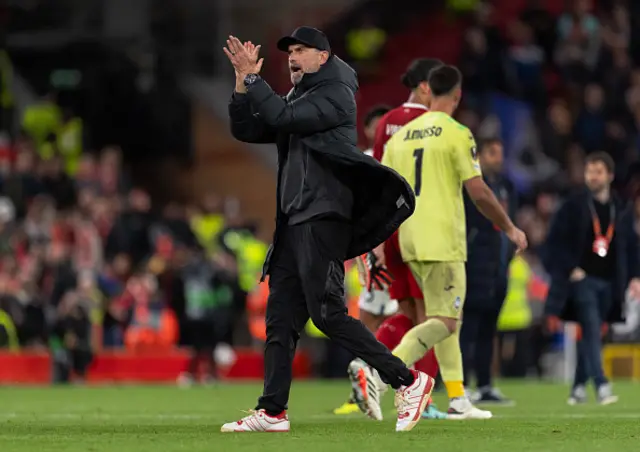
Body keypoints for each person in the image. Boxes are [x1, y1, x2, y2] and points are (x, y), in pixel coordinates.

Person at [221, 27, 433, 433]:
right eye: (290, 52)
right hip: (294, 220)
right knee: (280, 319)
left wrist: (253, 79)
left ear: (323, 57)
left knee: (328, 315)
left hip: (323, 217)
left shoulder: (335, 94)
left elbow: (280, 118)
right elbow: (247, 130)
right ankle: (272, 411)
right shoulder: (298, 98)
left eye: (302, 51)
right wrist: (240, 83)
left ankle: (408, 381)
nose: (293, 57)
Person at [366, 65, 527, 420]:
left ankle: (458, 398)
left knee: (446, 313)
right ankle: (379, 372)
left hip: (407, 238)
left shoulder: (399, 138)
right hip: (442, 239)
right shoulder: (457, 133)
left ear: (428, 91)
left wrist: (377, 244)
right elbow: (479, 191)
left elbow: (382, 193)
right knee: (446, 321)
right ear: (456, 95)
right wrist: (510, 227)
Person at [339, 59, 448, 420]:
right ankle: (421, 397)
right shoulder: (437, 123)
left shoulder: (387, 123)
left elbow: (379, 187)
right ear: (427, 87)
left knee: (406, 314)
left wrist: (377, 243)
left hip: (393, 231)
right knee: (434, 319)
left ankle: (368, 361)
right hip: (429, 232)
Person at [543, 152, 640, 405]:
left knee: (592, 333)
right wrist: (570, 268)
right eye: (589, 171)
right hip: (582, 281)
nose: (592, 176)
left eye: (598, 171)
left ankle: (577, 388)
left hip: (611, 281)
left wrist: (635, 276)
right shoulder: (573, 205)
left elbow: (631, 245)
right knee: (592, 327)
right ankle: (601, 384)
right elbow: (554, 242)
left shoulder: (620, 207)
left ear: (609, 175)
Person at [460, 138, 517, 405]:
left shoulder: (505, 187)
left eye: (500, 153)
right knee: (467, 329)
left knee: (487, 330)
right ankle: (458, 384)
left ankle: (484, 385)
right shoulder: (469, 188)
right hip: (474, 265)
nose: (498, 158)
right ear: (479, 156)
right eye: (493, 153)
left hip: (498, 268)